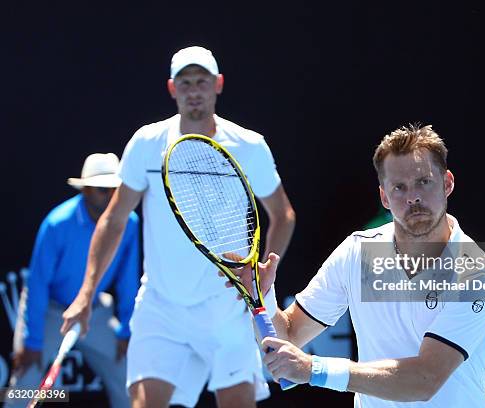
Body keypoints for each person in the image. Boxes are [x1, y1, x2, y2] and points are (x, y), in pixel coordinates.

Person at [61, 46, 296, 408]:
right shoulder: (146, 143)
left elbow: (282, 214)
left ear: (218, 85)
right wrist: (86, 293)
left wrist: (261, 274)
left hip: (226, 309)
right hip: (162, 305)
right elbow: (114, 218)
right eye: (185, 82)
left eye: (201, 81)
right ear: (172, 89)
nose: (193, 90)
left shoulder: (249, 147)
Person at [237, 125, 485, 407]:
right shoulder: (357, 253)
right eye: (399, 187)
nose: (413, 196)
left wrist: (315, 369)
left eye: (424, 182)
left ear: (447, 183)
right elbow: (289, 336)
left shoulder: (478, 276)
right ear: (384, 198)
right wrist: (262, 296)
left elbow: (424, 379)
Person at [6, 153, 139, 408]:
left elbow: (127, 280)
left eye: (116, 190)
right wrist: (33, 340)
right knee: (24, 386)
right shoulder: (57, 223)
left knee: (130, 379)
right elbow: (38, 284)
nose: (111, 198)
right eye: (103, 190)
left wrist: (126, 328)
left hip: (95, 313)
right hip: (50, 313)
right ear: (85, 189)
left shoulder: (129, 223)